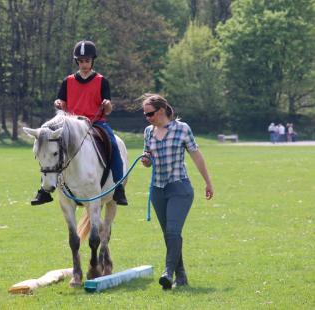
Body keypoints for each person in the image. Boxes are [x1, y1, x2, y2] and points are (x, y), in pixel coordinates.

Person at [31, 40, 128, 206]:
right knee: (49, 148)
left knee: (113, 145)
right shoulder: (67, 81)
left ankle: (119, 188)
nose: (84, 64)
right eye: (81, 61)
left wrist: (107, 105)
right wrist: (58, 103)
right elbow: (61, 101)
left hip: (96, 123)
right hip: (73, 125)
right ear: (77, 61)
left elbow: (109, 109)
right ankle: (45, 190)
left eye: (87, 61)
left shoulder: (101, 81)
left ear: (92, 61)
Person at [140, 94, 213, 290]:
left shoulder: (182, 129)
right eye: (145, 114)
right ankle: (181, 277)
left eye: (150, 113)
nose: (147, 117)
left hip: (179, 187)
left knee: (173, 231)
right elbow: (147, 158)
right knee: (169, 235)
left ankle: (168, 273)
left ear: (161, 110)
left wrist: (208, 182)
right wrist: (146, 160)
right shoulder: (148, 132)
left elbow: (196, 155)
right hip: (157, 189)